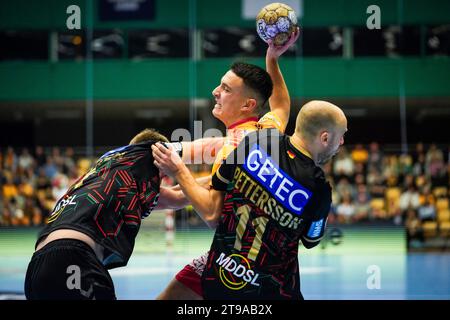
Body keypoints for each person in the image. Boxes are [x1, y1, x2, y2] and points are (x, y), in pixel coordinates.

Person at [154, 29, 300, 299]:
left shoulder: (233, 150)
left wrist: (177, 170)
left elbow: (212, 215)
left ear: (248, 104)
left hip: (240, 263)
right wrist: (272, 59)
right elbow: (280, 103)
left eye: (225, 89)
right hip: (269, 259)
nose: (215, 92)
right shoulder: (267, 127)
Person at [152, 100, 348, 299]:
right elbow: (311, 240)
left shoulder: (256, 140)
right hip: (272, 290)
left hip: (219, 272)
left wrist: (178, 174)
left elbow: (217, 184)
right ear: (325, 137)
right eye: (341, 136)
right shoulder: (319, 189)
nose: (341, 142)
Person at [24, 128, 218, 300]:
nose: (164, 177)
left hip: (37, 267)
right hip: (72, 259)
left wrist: (224, 177)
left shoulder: (113, 176)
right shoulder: (145, 153)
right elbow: (210, 145)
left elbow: (177, 195)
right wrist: (245, 142)